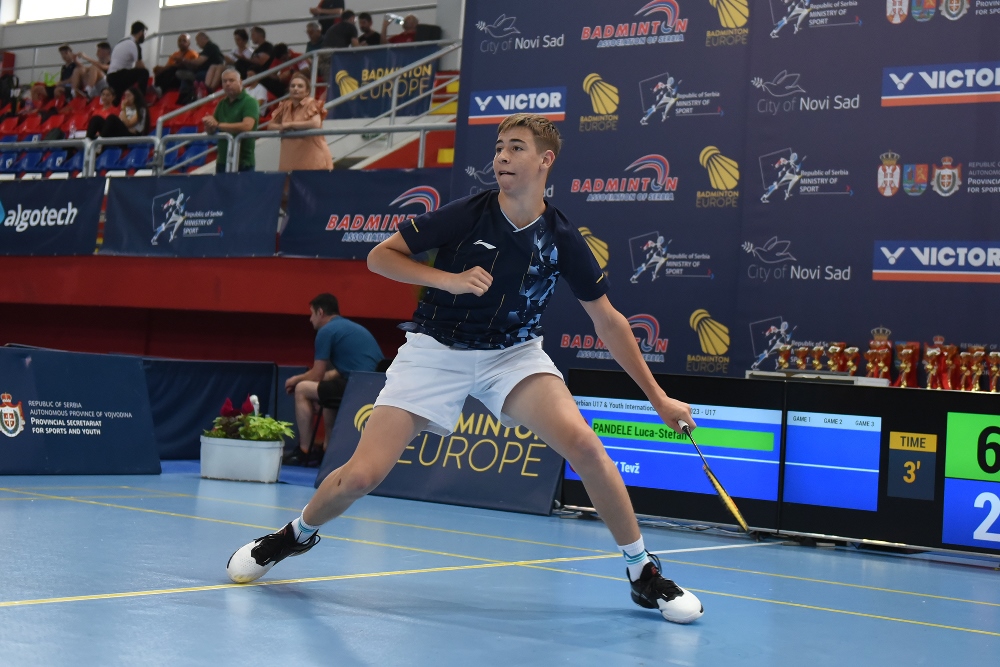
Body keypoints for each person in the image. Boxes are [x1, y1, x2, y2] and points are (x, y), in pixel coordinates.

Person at [226, 113, 705, 626]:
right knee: (361, 476)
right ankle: (293, 535)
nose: (502, 156)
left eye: (516, 147)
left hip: (512, 355)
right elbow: (380, 258)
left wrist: (658, 398)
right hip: (435, 350)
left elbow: (608, 321)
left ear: (545, 160)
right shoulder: (469, 214)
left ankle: (641, 571)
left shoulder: (561, 236)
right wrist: (448, 280)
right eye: (499, 147)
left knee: (586, 446)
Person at [282, 293, 384, 467]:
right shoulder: (349, 327)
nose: (310, 319)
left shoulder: (326, 331)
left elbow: (316, 375)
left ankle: (305, 451)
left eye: (312, 314)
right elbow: (335, 373)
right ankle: (329, 452)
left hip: (357, 386)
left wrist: (295, 380)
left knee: (302, 389)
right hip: (373, 384)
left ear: (320, 312)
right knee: (327, 393)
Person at [269, 72, 332, 171]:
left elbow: (315, 123)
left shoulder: (311, 103)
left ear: (307, 91)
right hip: (289, 159)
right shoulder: (284, 106)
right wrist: (281, 127)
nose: (295, 88)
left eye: (300, 86)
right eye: (292, 86)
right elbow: (270, 126)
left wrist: (290, 124)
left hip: (313, 159)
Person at [203, 68, 259, 173]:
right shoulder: (221, 103)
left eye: (231, 80)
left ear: (240, 82)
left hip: (243, 162)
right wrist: (209, 125)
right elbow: (212, 129)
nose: (227, 84)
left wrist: (218, 125)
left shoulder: (250, 102)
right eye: (224, 81)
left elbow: (247, 126)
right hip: (222, 161)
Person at [107, 21, 149, 101]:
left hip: (110, 77)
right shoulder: (134, 44)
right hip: (119, 76)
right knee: (144, 72)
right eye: (144, 33)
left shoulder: (121, 42)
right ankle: (140, 100)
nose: (144, 36)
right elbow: (140, 66)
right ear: (141, 32)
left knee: (117, 101)